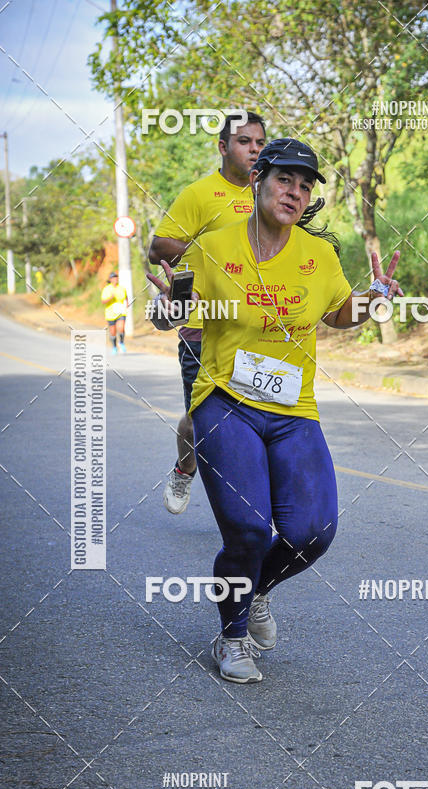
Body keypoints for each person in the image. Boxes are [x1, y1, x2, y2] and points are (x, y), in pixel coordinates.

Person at [148, 137, 400, 683]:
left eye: (305, 185)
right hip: (225, 400)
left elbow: (337, 313)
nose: (296, 191)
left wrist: (376, 294)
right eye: (286, 178)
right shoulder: (213, 246)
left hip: (292, 409)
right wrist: (165, 309)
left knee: (315, 530)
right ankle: (232, 636)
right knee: (247, 528)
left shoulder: (319, 255)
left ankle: (256, 588)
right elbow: (174, 313)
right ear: (259, 178)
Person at [148, 111, 266, 513]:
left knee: (260, 414)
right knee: (201, 420)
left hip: (256, 323)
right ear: (222, 147)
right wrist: (211, 249)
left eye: (260, 143)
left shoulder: (268, 193)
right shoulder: (199, 194)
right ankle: (185, 469)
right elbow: (158, 248)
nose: (254, 150)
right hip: (202, 323)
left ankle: (246, 503)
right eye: (244, 142)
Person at [101, 272, 128, 354]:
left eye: (116, 277)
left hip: (121, 312)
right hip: (110, 314)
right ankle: (114, 347)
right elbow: (103, 301)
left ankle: (122, 343)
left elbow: (126, 296)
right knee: (113, 332)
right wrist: (111, 297)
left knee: (121, 328)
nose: (115, 279)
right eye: (113, 278)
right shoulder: (107, 289)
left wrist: (127, 303)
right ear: (110, 279)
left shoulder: (121, 288)